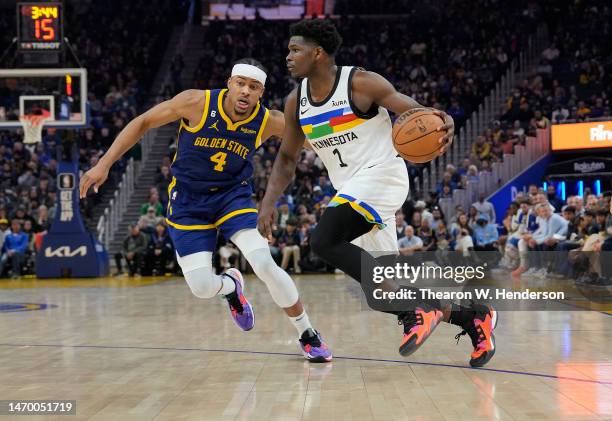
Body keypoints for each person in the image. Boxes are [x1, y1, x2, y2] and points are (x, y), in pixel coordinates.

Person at [258, 19, 496, 367]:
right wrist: (268, 202)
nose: (288, 57)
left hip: (383, 176)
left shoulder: (360, 83)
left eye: (296, 50)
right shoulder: (297, 103)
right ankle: (473, 317)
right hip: (352, 190)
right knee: (382, 292)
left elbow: (417, 113)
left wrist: (444, 120)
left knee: (323, 241)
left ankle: (417, 311)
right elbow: (287, 158)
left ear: (318, 53)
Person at [80, 58, 331, 362]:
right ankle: (230, 286)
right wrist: (105, 163)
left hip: (232, 196)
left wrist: (364, 143)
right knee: (200, 287)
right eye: (240, 84)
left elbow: (315, 141)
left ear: (260, 93)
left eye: (253, 88)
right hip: (188, 202)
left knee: (264, 263)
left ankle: (307, 333)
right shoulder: (196, 102)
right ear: (229, 83)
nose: (245, 92)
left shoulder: (269, 121)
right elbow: (144, 121)